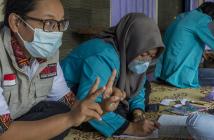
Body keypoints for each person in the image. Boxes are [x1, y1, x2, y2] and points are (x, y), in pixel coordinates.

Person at [0, 0, 124, 139]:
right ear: (16, 22)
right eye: (49, 23)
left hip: (19, 119)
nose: (57, 33)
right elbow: (3, 133)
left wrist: (101, 107)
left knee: (58, 111)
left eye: (60, 24)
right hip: (6, 128)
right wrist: (69, 119)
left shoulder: (48, 56)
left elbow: (70, 104)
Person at [61, 13, 164, 137]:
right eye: (143, 54)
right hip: (68, 94)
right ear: (130, 41)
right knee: (118, 113)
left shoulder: (127, 50)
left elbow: (138, 87)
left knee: (144, 85)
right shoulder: (104, 56)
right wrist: (131, 127)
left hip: (102, 85)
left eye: (151, 56)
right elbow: (88, 102)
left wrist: (137, 114)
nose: (145, 61)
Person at [154, 2, 214, 88]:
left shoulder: (183, 16)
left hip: (165, 70)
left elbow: (184, 40)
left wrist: (203, 52)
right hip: (180, 72)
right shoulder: (201, 19)